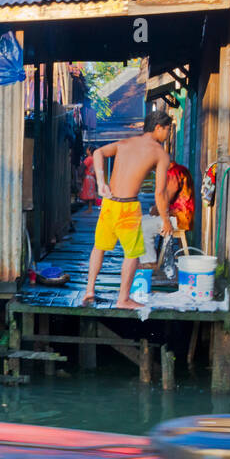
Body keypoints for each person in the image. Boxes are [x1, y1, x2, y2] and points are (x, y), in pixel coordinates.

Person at [82, 109, 174, 310]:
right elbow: (160, 192)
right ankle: (123, 299)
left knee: (99, 247)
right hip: (128, 207)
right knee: (132, 254)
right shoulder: (160, 154)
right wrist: (165, 219)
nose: (168, 134)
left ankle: (89, 290)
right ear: (158, 128)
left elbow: (98, 153)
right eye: (168, 129)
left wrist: (101, 182)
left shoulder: (126, 143)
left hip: (109, 204)